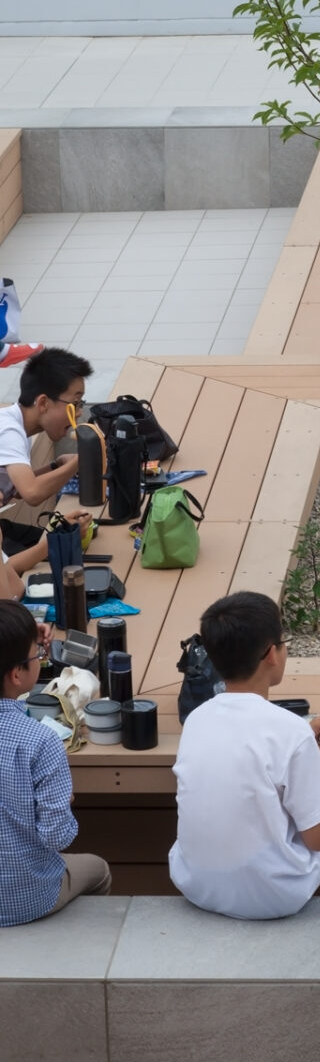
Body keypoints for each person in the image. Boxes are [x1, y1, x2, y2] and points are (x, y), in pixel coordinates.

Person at [169, 591, 320, 919]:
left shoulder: (196, 721)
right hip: (273, 896)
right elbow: (318, 840)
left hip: (196, 883)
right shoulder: (290, 732)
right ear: (271, 655)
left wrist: (308, 735)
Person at [0, 600, 112, 926]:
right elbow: (57, 837)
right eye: (37, 654)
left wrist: (22, 635)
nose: (42, 657)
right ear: (17, 674)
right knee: (99, 870)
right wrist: (61, 802)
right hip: (27, 897)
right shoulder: (42, 741)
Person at [0, 347, 93, 557]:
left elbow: (15, 490)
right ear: (43, 403)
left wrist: (56, 465)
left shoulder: (17, 427)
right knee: (62, 550)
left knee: (73, 541)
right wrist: (81, 460)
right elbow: (32, 493)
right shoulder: (8, 430)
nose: (79, 413)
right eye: (74, 404)